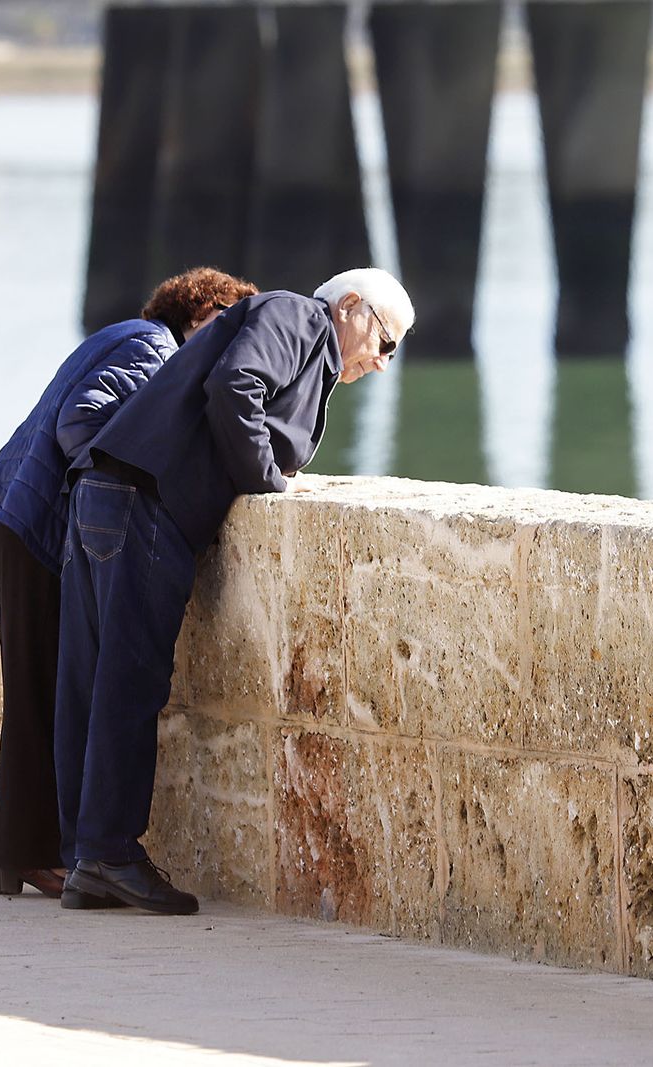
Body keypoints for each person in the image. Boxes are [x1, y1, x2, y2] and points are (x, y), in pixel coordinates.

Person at [53, 267, 414, 915]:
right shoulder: (300, 318)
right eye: (385, 342)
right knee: (129, 682)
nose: (382, 362)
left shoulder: (298, 334)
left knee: (94, 680)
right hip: (147, 499)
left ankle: (85, 856)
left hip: (109, 490)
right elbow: (235, 383)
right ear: (351, 306)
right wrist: (269, 481)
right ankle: (107, 853)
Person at [0, 267, 258, 899]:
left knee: (40, 690)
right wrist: (121, 482)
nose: (230, 344)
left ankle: (22, 859)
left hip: (16, 515)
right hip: (34, 522)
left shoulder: (136, 339)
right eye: (225, 324)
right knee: (41, 694)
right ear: (200, 313)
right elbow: (81, 422)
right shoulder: (154, 348)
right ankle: (28, 857)